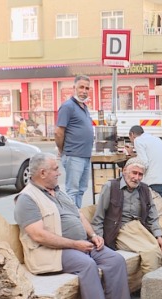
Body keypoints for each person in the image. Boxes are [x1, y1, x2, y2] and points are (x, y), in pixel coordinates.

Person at [14, 153, 148, 299]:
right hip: (51, 252)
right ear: (42, 173)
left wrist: (93, 235)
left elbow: (79, 216)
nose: (59, 173)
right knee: (87, 264)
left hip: (79, 245)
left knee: (115, 260)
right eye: (55, 169)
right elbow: (39, 235)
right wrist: (75, 244)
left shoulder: (59, 192)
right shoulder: (27, 198)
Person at [91, 157, 162, 276]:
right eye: (134, 173)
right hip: (121, 231)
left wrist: (159, 236)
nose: (137, 178)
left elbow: (153, 217)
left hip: (142, 229)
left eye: (140, 174)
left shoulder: (145, 189)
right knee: (151, 252)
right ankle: (152, 291)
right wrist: (100, 240)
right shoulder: (111, 187)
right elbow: (98, 218)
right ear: (125, 170)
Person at [56, 75, 94, 207]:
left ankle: (78, 217)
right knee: (72, 191)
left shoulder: (84, 107)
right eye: (81, 87)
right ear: (74, 88)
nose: (84, 91)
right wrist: (62, 150)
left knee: (81, 190)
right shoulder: (68, 106)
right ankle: (72, 220)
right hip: (73, 155)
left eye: (87, 88)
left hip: (85, 156)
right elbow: (59, 132)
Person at [127, 125, 162, 199]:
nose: (131, 141)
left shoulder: (138, 140)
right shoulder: (155, 139)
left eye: (129, 138)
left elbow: (144, 163)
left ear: (132, 134)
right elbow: (149, 157)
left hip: (155, 184)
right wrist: (132, 154)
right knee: (155, 209)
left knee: (143, 205)